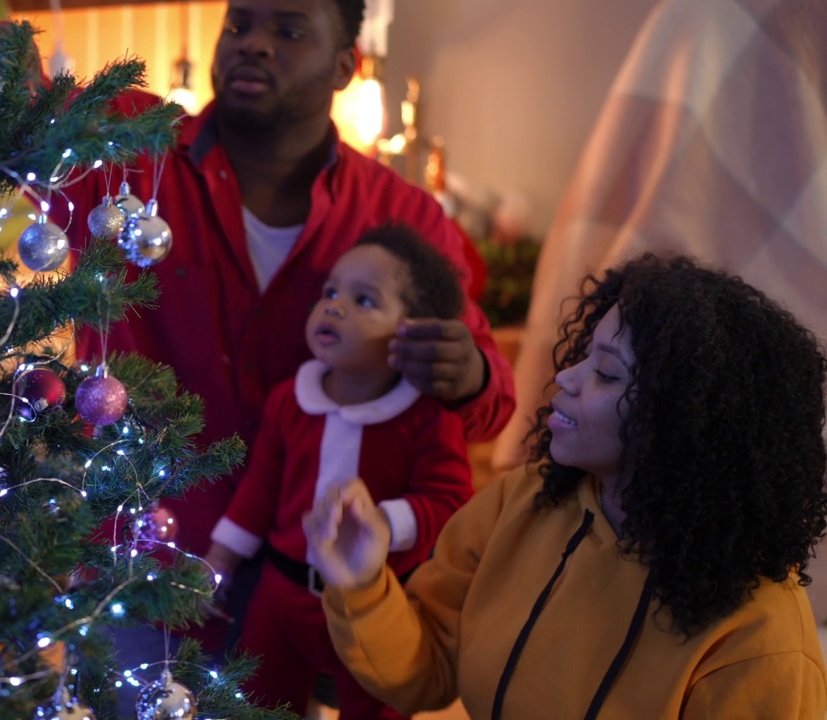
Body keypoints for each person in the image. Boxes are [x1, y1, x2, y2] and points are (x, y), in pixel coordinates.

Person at [54, 0, 516, 651]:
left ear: (342, 67)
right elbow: (22, 117)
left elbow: (491, 404)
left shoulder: (399, 216)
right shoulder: (132, 153)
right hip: (140, 570)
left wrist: (465, 375)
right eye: (239, 25)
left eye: (290, 30)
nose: (255, 44)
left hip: (315, 597)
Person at [304, 254, 827, 718]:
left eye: (606, 372)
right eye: (584, 355)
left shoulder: (762, 642)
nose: (567, 378)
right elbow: (429, 669)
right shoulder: (525, 498)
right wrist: (361, 584)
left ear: (684, 423)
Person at [203, 225, 475, 718]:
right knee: (259, 701)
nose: (334, 306)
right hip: (280, 596)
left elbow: (450, 498)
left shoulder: (426, 416)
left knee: (377, 705)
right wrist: (221, 556)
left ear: (410, 331)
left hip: (374, 605)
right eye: (330, 292)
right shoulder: (292, 400)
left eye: (364, 300)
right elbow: (261, 489)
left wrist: (385, 523)